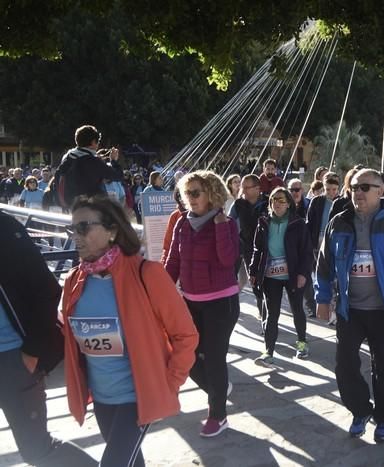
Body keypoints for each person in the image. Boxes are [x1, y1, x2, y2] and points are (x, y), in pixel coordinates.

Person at [62, 196, 198, 467]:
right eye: (72, 229)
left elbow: (186, 335)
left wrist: (168, 384)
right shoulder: (73, 281)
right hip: (102, 397)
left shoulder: (147, 274)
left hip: (136, 397)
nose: (75, 236)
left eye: (84, 227)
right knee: (131, 462)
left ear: (112, 231)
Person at [315, 168, 384, 442]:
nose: (357, 192)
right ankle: (361, 409)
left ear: (380, 191)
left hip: (383, 311)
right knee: (344, 365)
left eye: (364, 187)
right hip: (350, 310)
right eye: (353, 187)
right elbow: (324, 266)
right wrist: (322, 298)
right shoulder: (338, 222)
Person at [0, 212, 97, 467]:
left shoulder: (5, 228)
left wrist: (32, 351)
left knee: (36, 450)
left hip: (12, 357)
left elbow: (46, 289)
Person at [165, 171, 241, 437]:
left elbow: (228, 260)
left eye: (196, 193)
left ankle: (218, 415)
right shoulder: (182, 224)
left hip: (222, 303)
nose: (191, 199)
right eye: (187, 194)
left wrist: (220, 226)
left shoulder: (227, 223)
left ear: (211, 193)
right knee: (186, 355)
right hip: (191, 302)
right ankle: (217, 387)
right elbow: (173, 261)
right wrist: (160, 292)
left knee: (214, 358)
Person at [250, 187, 313, 364]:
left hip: (293, 274)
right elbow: (257, 249)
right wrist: (253, 271)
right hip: (271, 276)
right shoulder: (263, 222)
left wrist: (302, 274)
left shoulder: (298, 224)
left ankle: (302, 345)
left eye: (281, 200)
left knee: (297, 310)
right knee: (272, 314)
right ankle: (268, 351)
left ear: (288, 204)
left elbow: (306, 252)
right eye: (274, 200)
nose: (277, 203)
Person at [228, 174, 268, 319]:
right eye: (242, 187)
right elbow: (229, 225)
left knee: (264, 283)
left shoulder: (268, 202)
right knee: (248, 281)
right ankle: (261, 315)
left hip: (266, 249)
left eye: (246, 187)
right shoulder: (238, 204)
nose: (242, 190)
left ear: (257, 188)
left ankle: (266, 315)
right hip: (245, 248)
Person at [54, 126, 123, 210]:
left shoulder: (67, 157)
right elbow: (118, 176)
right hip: (90, 209)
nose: (98, 145)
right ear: (93, 142)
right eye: (98, 142)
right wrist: (113, 161)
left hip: (70, 206)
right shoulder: (93, 161)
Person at [305, 172, 340, 317]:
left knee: (332, 274)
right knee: (319, 273)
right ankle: (318, 304)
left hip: (333, 241)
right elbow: (309, 222)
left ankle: (333, 306)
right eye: (328, 189)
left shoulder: (341, 201)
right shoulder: (317, 201)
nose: (331, 193)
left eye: (334, 189)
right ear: (323, 187)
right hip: (318, 239)